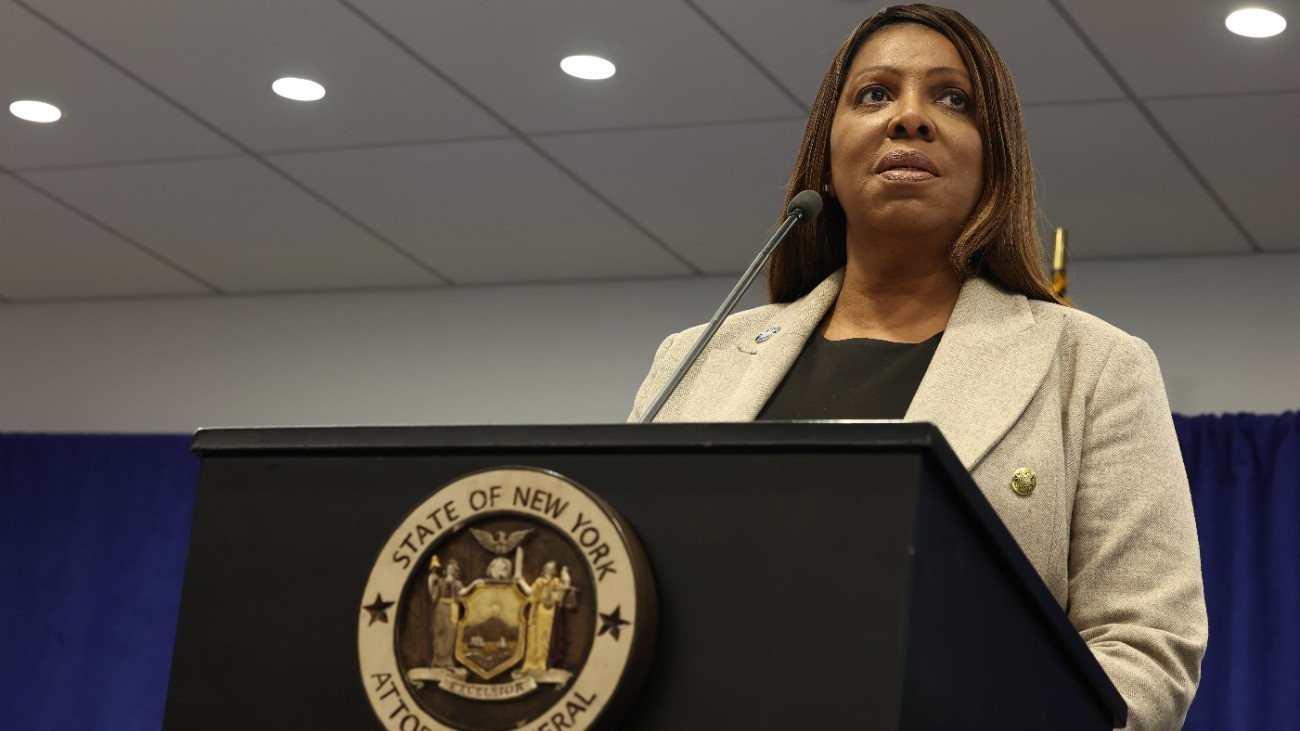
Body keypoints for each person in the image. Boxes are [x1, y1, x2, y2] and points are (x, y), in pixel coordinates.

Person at [629, 5, 1206, 729]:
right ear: (827, 159)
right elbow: (624, 601)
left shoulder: (1094, 366)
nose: (909, 118)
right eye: (874, 93)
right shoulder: (693, 361)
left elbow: (1146, 645)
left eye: (952, 98)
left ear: (994, 160)